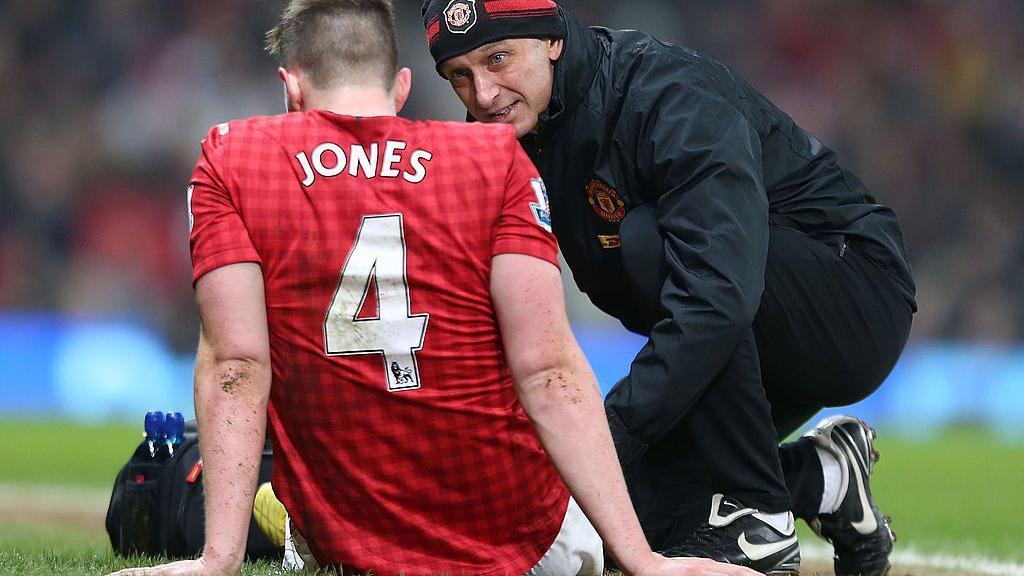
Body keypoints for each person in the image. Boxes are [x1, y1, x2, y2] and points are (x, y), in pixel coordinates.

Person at [109, 1, 760, 575]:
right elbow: (549, 370)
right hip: (524, 548)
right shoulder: (492, 159)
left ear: (291, 89)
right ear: (401, 88)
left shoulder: (232, 157)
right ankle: (803, 482)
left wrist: (215, 561)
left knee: (276, 487)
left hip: (347, 543)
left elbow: (236, 364)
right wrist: (640, 561)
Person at [421, 1, 916, 575]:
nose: (483, 94)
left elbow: (718, 291)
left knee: (649, 239)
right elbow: (462, 302)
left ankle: (760, 517)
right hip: (730, 341)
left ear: (551, 40)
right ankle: (827, 477)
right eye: (460, 75)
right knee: (610, 523)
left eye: (497, 59)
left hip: (851, 301)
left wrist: (608, 430)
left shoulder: (666, 95)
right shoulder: (497, 139)